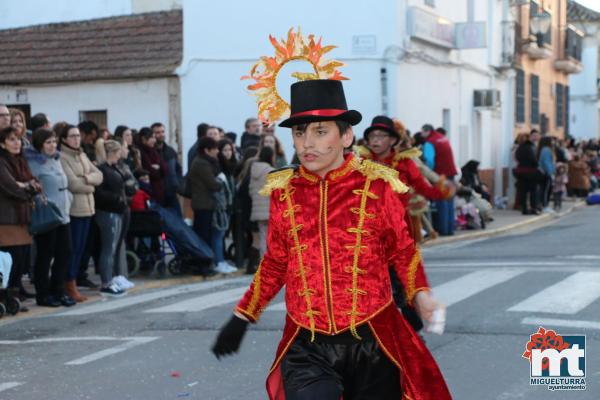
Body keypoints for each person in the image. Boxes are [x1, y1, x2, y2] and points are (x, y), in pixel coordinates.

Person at [212, 79, 450, 399]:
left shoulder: (376, 186)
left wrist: (420, 294)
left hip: (373, 342)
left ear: (346, 136)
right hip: (307, 345)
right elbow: (275, 262)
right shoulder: (284, 192)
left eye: (320, 132)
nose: (307, 143)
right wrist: (242, 316)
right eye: (300, 133)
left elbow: (403, 251)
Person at [357, 116, 453, 332]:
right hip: (369, 235)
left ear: (392, 140)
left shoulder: (405, 163)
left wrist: (444, 190)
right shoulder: (361, 165)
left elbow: (424, 187)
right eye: (372, 136)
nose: (375, 140)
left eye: (381, 135)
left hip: (400, 235)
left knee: (404, 282)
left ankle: (414, 330)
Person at [24, 128, 76, 307]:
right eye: (48, 142)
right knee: (45, 254)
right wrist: (40, 199)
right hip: (47, 213)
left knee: (65, 251)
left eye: (54, 142)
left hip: (63, 213)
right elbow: (32, 185)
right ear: (39, 144)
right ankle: (43, 293)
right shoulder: (33, 162)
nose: (52, 145)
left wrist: (69, 198)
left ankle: (58, 290)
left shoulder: (57, 159)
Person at [59, 124, 103, 302]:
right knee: (74, 248)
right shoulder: (63, 157)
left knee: (82, 248)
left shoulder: (82, 154)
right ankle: (69, 283)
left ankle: (74, 281)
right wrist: (89, 182)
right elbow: (72, 184)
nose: (76, 139)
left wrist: (86, 179)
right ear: (64, 139)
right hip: (75, 209)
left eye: (77, 136)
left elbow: (99, 175)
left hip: (88, 208)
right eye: (72, 136)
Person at [0, 126, 42, 311]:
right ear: (2, 143)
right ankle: (4, 295)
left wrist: (26, 185)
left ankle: (13, 296)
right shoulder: (2, 162)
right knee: (9, 260)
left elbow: (37, 184)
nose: (17, 143)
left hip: (24, 218)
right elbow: (11, 188)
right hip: (7, 219)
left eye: (17, 139)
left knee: (21, 261)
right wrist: (26, 187)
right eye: (11, 139)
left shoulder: (21, 161)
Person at [94, 140, 128, 296]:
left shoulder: (113, 168)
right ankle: (106, 281)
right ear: (114, 152)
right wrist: (117, 199)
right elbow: (100, 193)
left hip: (117, 210)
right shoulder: (102, 170)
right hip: (108, 212)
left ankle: (112, 278)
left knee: (113, 247)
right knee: (108, 247)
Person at [189, 137, 226, 270]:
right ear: (207, 150)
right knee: (203, 235)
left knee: (206, 234)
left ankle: (206, 263)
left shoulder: (205, 162)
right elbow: (212, 184)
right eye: (215, 149)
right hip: (203, 205)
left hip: (206, 204)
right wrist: (220, 182)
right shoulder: (202, 164)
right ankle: (202, 264)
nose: (217, 151)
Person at [421, 123, 458, 236]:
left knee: (441, 202)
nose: (422, 135)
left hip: (440, 175)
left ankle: (442, 229)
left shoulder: (430, 142)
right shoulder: (443, 138)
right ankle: (450, 229)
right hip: (451, 173)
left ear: (427, 131)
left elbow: (430, 161)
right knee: (450, 201)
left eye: (422, 132)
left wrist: (429, 174)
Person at [249, 146, 274, 259]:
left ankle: (263, 262)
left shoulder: (253, 170)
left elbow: (250, 190)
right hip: (270, 209)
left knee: (263, 236)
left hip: (257, 210)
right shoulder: (271, 171)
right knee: (271, 239)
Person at [152, 122, 182, 216]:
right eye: (157, 132)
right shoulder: (150, 152)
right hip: (157, 195)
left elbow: (178, 169)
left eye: (162, 131)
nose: (161, 134)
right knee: (161, 224)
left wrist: (177, 184)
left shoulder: (170, 151)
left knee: (177, 220)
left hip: (171, 193)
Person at [139, 127, 168, 206]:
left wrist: (159, 167)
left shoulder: (153, 151)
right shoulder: (141, 153)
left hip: (159, 191)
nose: (154, 140)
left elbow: (165, 169)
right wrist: (157, 169)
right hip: (150, 192)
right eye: (152, 137)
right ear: (144, 139)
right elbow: (151, 172)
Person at [514, 133, 540, 215]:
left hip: (520, 171)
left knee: (523, 191)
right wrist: (536, 165)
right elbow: (534, 160)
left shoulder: (519, 148)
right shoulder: (530, 148)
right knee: (533, 191)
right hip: (530, 172)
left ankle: (524, 209)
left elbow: (517, 157)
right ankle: (533, 208)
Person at [537, 136, 556, 213]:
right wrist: (550, 172)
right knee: (546, 190)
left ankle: (543, 205)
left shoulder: (543, 149)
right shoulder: (546, 150)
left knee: (544, 189)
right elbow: (546, 162)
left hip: (543, 172)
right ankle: (545, 206)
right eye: (552, 141)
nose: (553, 142)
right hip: (546, 173)